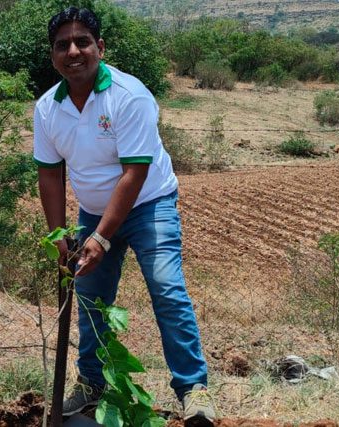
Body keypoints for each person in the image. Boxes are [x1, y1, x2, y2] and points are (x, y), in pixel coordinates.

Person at [33, 7, 216, 427]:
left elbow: (135, 173)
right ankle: (92, 384)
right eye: (63, 45)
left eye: (83, 42)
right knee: (90, 298)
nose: (73, 51)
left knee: (167, 289)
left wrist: (100, 238)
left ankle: (193, 389)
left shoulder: (128, 96)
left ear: (100, 47)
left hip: (150, 204)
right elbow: (50, 174)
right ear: (53, 54)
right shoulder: (47, 108)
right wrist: (61, 235)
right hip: (94, 210)